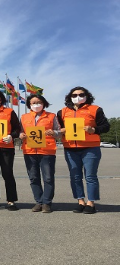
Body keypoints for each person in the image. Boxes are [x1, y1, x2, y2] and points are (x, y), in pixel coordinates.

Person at [57, 86, 110, 214]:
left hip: (90, 148)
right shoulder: (62, 112)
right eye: (74, 95)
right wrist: (61, 132)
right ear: (70, 97)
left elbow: (106, 126)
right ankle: (80, 201)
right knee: (75, 176)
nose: (77, 97)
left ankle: (91, 203)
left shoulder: (95, 109)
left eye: (81, 94)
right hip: (70, 148)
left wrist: (94, 130)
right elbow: (59, 129)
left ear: (87, 96)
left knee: (90, 176)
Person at [19, 95, 60, 213]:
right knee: (33, 178)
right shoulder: (24, 117)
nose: (36, 104)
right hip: (29, 151)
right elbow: (21, 131)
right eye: (33, 102)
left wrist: (54, 132)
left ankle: (46, 202)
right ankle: (39, 201)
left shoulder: (51, 116)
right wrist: (21, 135)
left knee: (48, 178)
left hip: (47, 151)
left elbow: (59, 132)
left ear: (44, 103)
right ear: (29, 105)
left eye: (39, 102)